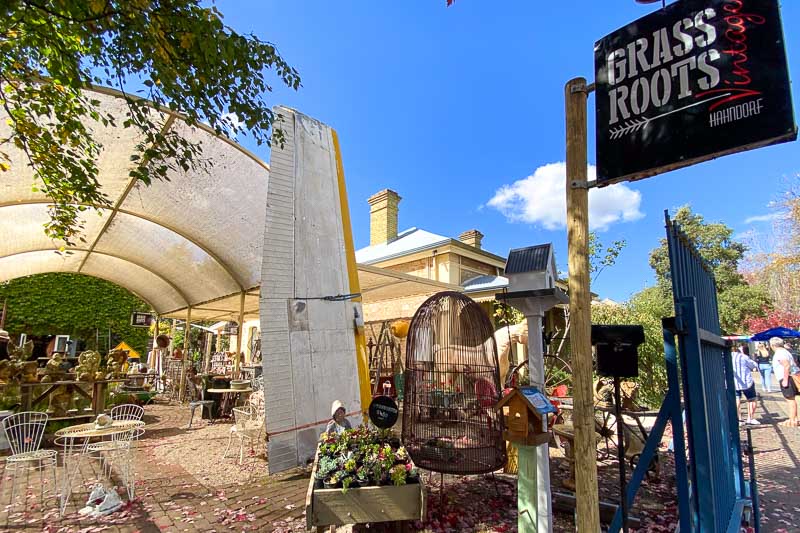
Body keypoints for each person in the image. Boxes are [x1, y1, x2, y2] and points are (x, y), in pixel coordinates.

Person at [769, 337, 800, 427]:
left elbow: (786, 365)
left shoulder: (779, 353)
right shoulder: (786, 351)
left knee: (790, 399)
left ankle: (792, 420)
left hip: (787, 377)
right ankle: (794, 418)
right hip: (791, 376)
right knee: (791, 399)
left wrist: (785, 380)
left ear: (772, 345)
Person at [732, 344, 760, 425]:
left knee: (736, 399)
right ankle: (750, 418)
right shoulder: (743, 357)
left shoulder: (724, 356)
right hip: (746, 381)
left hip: (733, 382)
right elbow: (753, 365)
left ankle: (739, 419)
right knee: (752, 399)